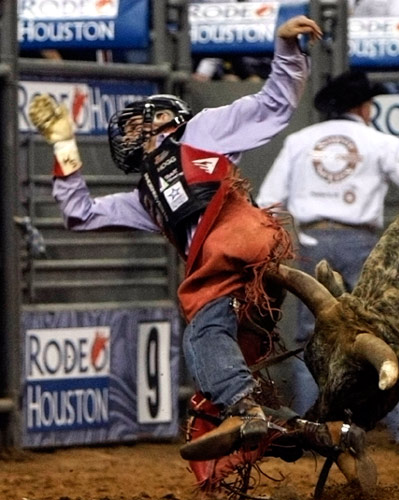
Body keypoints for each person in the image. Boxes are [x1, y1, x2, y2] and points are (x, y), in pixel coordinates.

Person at [28, 15, 329, 462]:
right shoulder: (143, 196)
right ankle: (319, 435)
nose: (130, 134)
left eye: (137, 124)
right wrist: (62, 144)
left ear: (166, 118)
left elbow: (274, 104)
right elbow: (80, 213)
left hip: (235, 241)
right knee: (220, 363)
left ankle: (247, 411)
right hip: (238, 265)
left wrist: (285, 48)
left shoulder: (202, 130)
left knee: (201, 334)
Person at [256, 70, 399, 455]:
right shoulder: (379, 142)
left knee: (313, 338)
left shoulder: (298, 142)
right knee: (387, 333)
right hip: (362, 242)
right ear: (363, 107)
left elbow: (269, 202)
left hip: (310, 243)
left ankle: (313, 432)